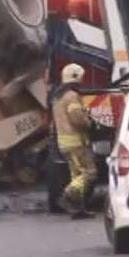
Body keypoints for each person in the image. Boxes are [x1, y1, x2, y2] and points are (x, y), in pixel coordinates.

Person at [51, 64, 97, 219]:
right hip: (76, 142)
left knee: (76, 175)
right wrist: (90, 123)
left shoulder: (58, 96)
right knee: (89, 173)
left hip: (64, 142)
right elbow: (77, 119)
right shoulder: (71, 96)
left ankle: (78, 210)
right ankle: (66, 196)